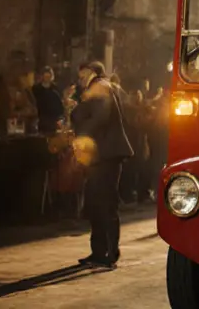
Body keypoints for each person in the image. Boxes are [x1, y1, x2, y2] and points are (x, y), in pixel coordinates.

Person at [70, 60, 133, 269]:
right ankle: (98, 251)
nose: (80, 79)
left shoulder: (101, 86)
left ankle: (110, 252)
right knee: (95, 203)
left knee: (106, 204)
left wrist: (80, 124)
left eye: (82, 75)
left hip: (107, 155)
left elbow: (98, 118)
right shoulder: (94, 90)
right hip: (99, 156)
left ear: (93, 72)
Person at [33, 67, 65, 135]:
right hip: (40, 118)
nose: (47, 78)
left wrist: (60, 118)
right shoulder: (36, 89)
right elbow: (33, 102)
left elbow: (60, 104)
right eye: (45, 76)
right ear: (42, 76)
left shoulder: (55, 89)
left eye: (48, 76)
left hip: (53, 120)